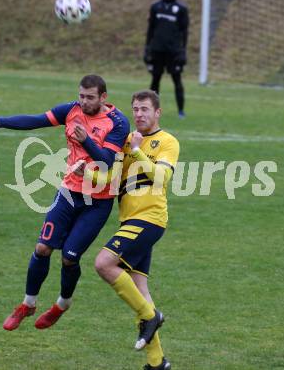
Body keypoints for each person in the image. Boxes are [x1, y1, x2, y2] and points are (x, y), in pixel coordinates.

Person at [0, 75, 130, 331]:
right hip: (68, 192)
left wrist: (85, 139)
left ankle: (62, 305)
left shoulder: (118, 122)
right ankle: (27, 304)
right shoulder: (71, 110)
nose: (84, 101)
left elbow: (107, 161)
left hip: (98, 201)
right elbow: (36, 120)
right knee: (43, 248)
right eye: (82, 96)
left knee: (69, 257)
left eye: (90, 97)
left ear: (103, 97)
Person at [77, 90, 179, 370]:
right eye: (135, 109)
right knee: (138, 288)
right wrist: (86, 172)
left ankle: (151, 315)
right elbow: (111, 179)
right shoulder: (126, 142)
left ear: (158, 112)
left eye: (145, 109)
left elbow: (163, 176)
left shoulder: (167, 141)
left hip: (149, 219)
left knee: (103, 263)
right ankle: (157, 361)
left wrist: (137, 149)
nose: (139, 114)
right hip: (130, 220)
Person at [144, 0, 189, 118]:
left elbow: (184, 31)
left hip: (174, 52)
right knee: (155, 80)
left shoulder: (181, 8)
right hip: (157, 50)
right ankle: (151, 110)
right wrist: (147, 48)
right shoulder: (155, 7)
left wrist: (182, 51)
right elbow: (150, 29)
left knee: (177, 79)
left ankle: (181, 111)